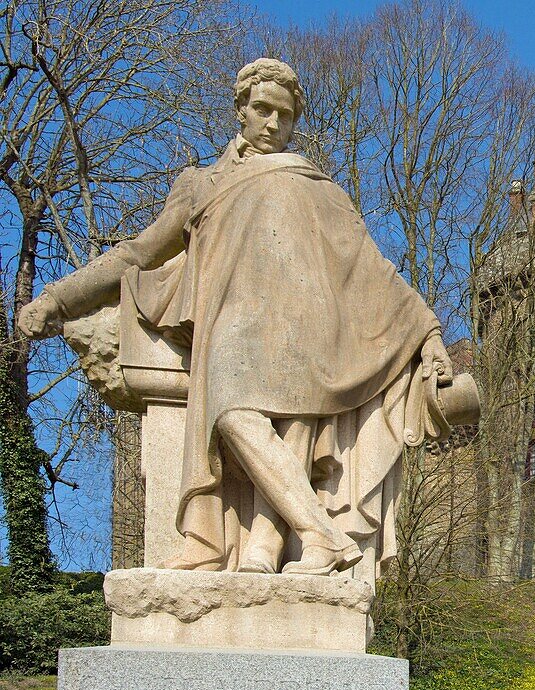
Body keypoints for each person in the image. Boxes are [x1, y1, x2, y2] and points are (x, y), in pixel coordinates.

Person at [18, 59, 453, 581]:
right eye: (262, 110)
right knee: (232, 416)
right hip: (233, 325)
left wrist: (428, 334)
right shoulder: (201, 183)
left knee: (295, 432)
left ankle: (263, 556)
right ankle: (319, 530)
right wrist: (59, 299)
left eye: (284, 116)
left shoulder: (318, 188)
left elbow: (374, 268)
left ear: (295, 123)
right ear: (240, 110)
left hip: (306, 330)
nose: (272, 124)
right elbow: (138, 254)